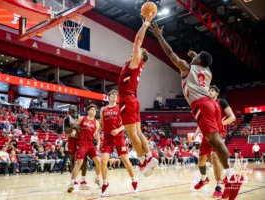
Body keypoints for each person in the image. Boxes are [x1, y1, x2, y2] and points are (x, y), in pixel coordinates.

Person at [150, 22, 242, 199]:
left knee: (215, 141)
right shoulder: (208, 73)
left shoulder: (187, 67)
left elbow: (171, 54)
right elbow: (201, 61)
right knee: (213, 144)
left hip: (202, 105)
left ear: (198, 61)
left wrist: (159, 36)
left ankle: (231, 175)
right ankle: (217, 178)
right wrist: (196, 55)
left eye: (196, 57)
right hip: (211, 105)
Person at [118, 12, 158, 177]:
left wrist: (146, 24)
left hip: (127, 100)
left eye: (139, 51)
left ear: (141, 56)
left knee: (131, 133)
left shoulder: (135, 62)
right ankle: (149, 156)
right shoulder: (136, 65)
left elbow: (137, 41)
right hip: (133, 99)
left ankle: (142, 160)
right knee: (138, 132)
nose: (136, 50)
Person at [192, 85, 236, 197]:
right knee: (201, 160)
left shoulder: (222, 102)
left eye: (212, 90)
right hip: (207, 134)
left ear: (216, 93)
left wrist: (220, 124)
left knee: (214, 157)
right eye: (209, 90)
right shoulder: (205, 103)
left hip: (219, 133)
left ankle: (218, 186)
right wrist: (196, 133)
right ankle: (204, 179)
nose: (210, 92)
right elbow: (202, 121)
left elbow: (232, 117)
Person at [98, 90, 138, 196]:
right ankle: (105, 183)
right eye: (112, 95)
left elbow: (126, 123)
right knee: (103, 160)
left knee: (125, 159)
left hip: (119, 137)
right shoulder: (103, 109)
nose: (114, 97)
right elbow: (101, 124)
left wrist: (118, 130)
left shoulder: (121, 107)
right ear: (109, 97)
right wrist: (97, 132)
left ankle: (134, 180)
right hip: (107, 138)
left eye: (116, 96)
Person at [67, 104, 102, 193]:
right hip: (82, 143)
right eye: (92, 109)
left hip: (90, 144)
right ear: (88, 111)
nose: (94, 111)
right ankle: (71, 183)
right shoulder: (82, 118)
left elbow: (97, 135)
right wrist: (74, 132)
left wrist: (98, 143)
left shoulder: (96, 122)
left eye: (95, 110)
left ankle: (97, 178)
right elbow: (76, 127)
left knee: (99, 162)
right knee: (79, 163)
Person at [63, 105, 89, 189]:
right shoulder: (67, 119)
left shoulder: (81, 118)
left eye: (74, 110)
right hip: (71, 139)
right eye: (71, 110)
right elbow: (66, 131)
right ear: (69, 111)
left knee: (84, 159)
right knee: (72, 160)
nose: (73, 111)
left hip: (80, 139)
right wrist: (74, 127)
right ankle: (74, 180)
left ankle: (83, 180)